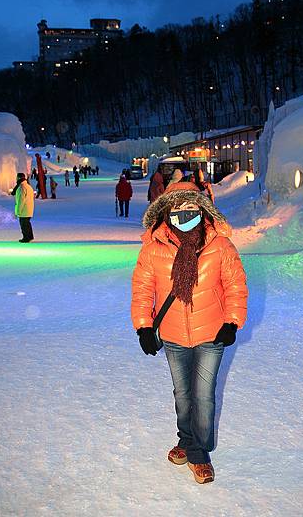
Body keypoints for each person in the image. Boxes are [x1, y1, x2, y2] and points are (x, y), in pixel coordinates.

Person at [131, 181, 248, 484]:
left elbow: (235, 285)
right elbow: (142, 289)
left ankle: (199, 454)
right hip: (172, 335)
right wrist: (144, 326)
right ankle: (186, 439)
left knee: (203, 395)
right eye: (178, 208)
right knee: (183, 394)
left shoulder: (219, 245)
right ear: (166, 211)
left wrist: (232, 321)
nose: (185, 213)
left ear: (202, 209)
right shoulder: (154, 249)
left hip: (212, 333)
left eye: (191, 207)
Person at [11, 173, 35, 243]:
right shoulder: (28, 187)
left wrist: (18, 211)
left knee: (24, 225)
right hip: (28, 209)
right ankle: (30, 236)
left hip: (24, 210)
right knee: (27, 224)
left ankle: (26, 238)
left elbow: (21, 201)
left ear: (18, 178)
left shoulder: (21, 187)